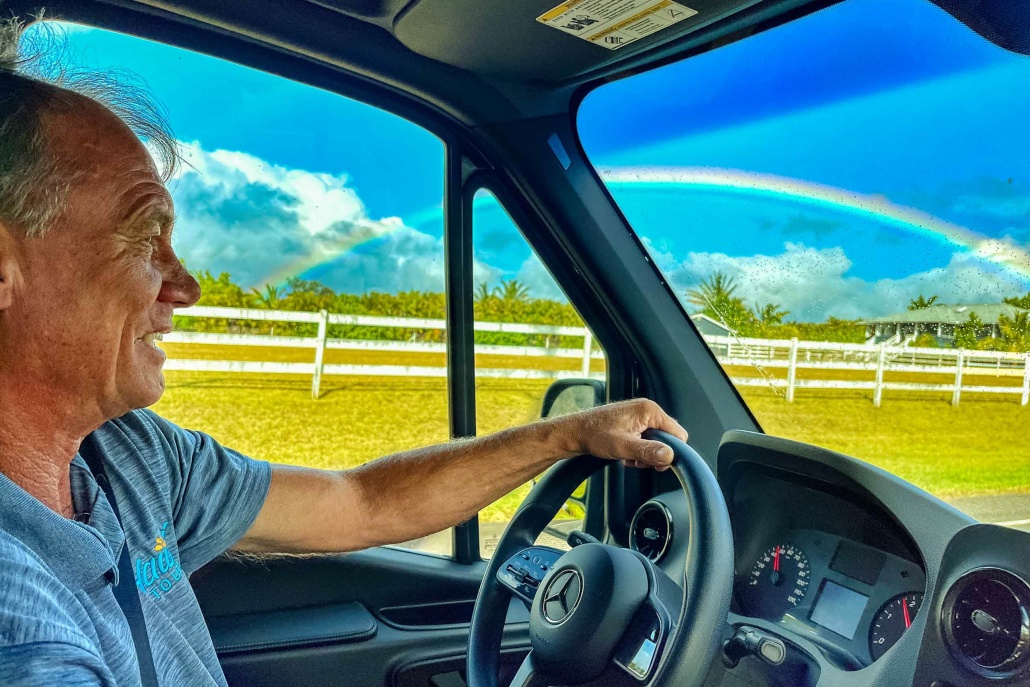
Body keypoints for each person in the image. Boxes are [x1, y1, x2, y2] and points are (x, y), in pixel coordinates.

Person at [0, 17, 688, 686]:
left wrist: (569, 432)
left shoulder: (128, 455)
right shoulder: (18, 622)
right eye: (144, 237)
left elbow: (357, 502)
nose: (187, 285)